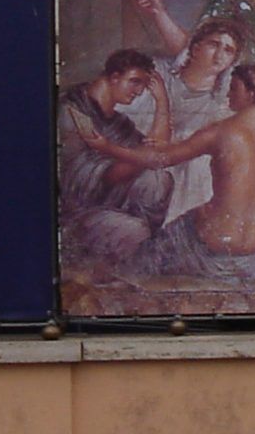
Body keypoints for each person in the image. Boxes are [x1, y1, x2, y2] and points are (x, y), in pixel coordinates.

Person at [78, 65, 255, 287]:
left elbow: (160, 159)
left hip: (213, 250)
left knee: (135, 264)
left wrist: (107, 147)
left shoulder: (222, 132)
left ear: (251, 93)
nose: (228, 94)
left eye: (233, 88)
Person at [58, 49, 171, 269]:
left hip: (104, 204)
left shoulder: (118, 124)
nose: (139, 91)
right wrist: (144, 158)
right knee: (135, 230)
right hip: (74, 215)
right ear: (114, 77)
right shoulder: (72, 113)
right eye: (134, 82)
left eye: (143, 85)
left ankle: (136, 253)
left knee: (159, 180)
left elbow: (156, 152)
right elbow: (94, 181)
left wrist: (162, 104)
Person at [154, 19, 243, 223]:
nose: (219, 55)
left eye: (228, 50)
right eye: (213, 44)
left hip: (187, 166)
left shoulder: (223, 102)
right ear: (195, 48)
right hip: (152, 156)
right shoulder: (162, 78)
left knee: (199, 163)